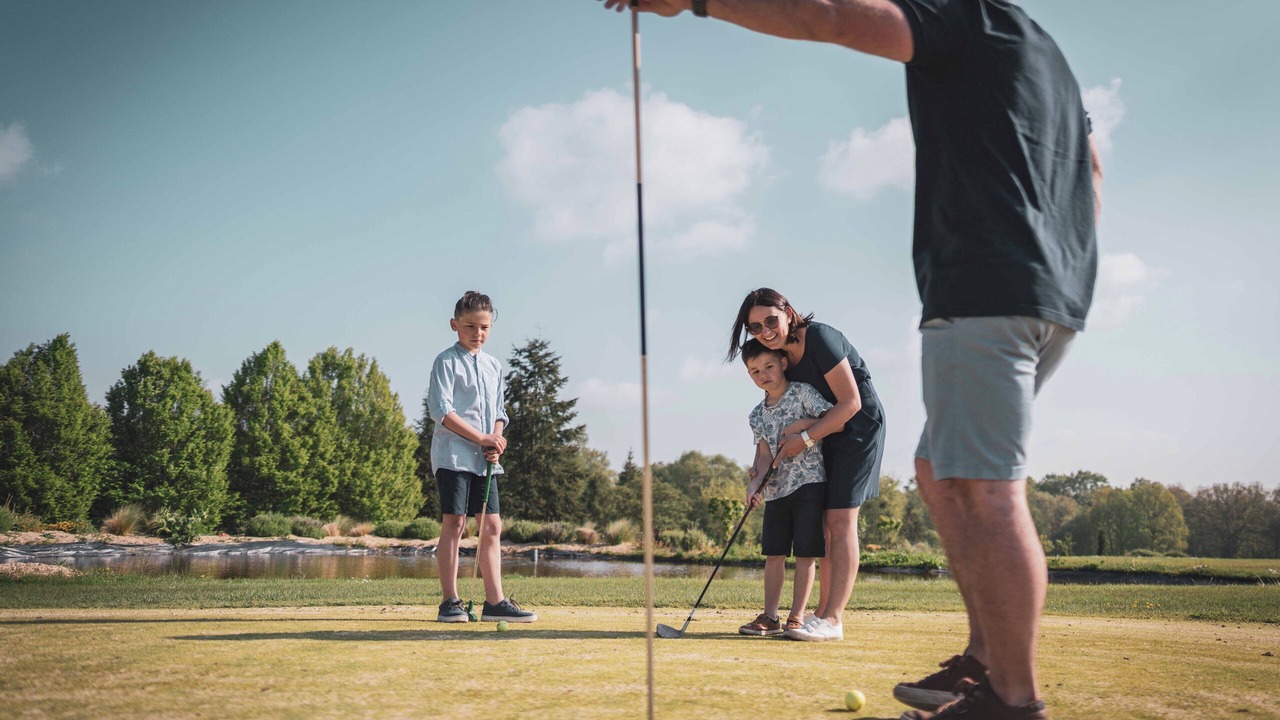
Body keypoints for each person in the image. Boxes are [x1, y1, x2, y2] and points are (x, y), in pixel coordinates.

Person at [602, 1, 1102, 718]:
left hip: (987, 285)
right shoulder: (1048, 51)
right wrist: (1068, 270)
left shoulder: (969, 18)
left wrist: (697, 1)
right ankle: (985, 661)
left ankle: (1010, 699)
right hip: (1052, 292)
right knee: (938, 473)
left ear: (789, 311)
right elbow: (1091, 167)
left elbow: (831, 14)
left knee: (986, 489)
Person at [727, 288, 886, 642]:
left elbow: (851, 404)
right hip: (822, 435)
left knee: (840, 519)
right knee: (825, 525)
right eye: (755, 328)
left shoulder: (822, 339)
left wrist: (806, 436)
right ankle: (818, 615)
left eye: (771, 320)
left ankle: (832, 617)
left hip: (857, 430)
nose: (766, 330)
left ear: (788, 312)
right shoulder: (780, 353)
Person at [427, 291, 536, 624]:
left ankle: (495, 602)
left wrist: (497, 437)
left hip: (485, 459)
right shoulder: (446, 362)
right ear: (454, 325)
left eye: (484, 327)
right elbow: (441, 411)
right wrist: (482, 438)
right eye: (470, 326)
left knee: (491, 526)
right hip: (453, 457)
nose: (477, 333)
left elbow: (499, 411)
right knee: (456, 523)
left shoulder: (494, 366)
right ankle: (450, 602)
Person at [737, 339, 832, 638]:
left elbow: (831, 418)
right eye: (755, 371)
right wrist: (754, 487)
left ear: (783, 364)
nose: (763, 374)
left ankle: (796, 617)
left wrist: (803, 425)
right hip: (777, 491)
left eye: (768, 366)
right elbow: (763, 458)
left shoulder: (803, 392)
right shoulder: (756, 415)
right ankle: (770, 617)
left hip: (810, 484)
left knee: (806, 554)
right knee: (774, 554)